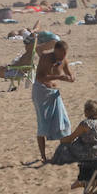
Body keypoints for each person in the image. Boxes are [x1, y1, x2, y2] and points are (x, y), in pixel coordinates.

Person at [33, 33, 73, 163]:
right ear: (55, 51)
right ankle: (43, 156)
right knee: (43, 125)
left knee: (64, 123)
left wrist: (69, 78)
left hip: (54, 93)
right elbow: (40, 77)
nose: (63, 56)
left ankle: (64, 153)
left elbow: (71, 77)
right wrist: (58, 77)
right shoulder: (46, 58)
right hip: (41, 92)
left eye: (65, 54)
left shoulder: (64, 61)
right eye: (61, 53)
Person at [50, 99, 97, 166]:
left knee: (63, 146)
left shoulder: (86, 124)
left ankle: (55, 161)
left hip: (91, 153)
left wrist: (62, 139)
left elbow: (71, 138)